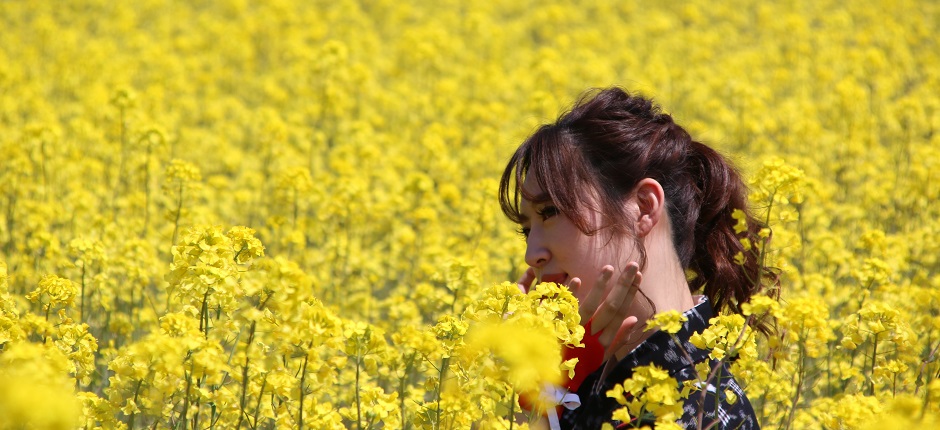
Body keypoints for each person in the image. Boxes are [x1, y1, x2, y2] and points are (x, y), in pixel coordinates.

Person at [499, 87, 766, 429]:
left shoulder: (704, 411)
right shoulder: (590, 376)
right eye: (526, 230)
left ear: (642, 207)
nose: (531, 254)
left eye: (550, 211)